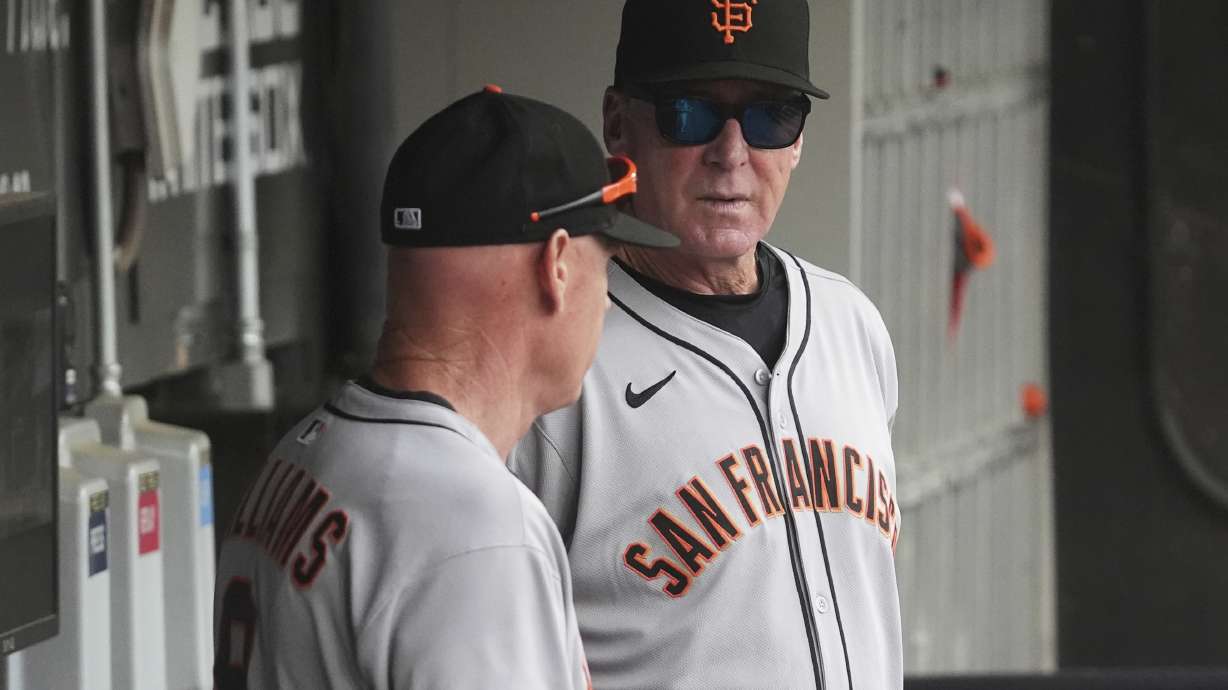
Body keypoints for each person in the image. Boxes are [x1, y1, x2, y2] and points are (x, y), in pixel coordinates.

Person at [212, 85, 677, 690]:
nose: (609, 302)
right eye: (607, 261)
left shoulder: (299, 456)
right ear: (556, 266)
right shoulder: (474, 526)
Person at [508, 1, 902, 688]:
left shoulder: (851, 325)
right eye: (688, 111)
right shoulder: (552, 367)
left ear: (800, 138)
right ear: (616, 123)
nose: (732, 154)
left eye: (770, 115)